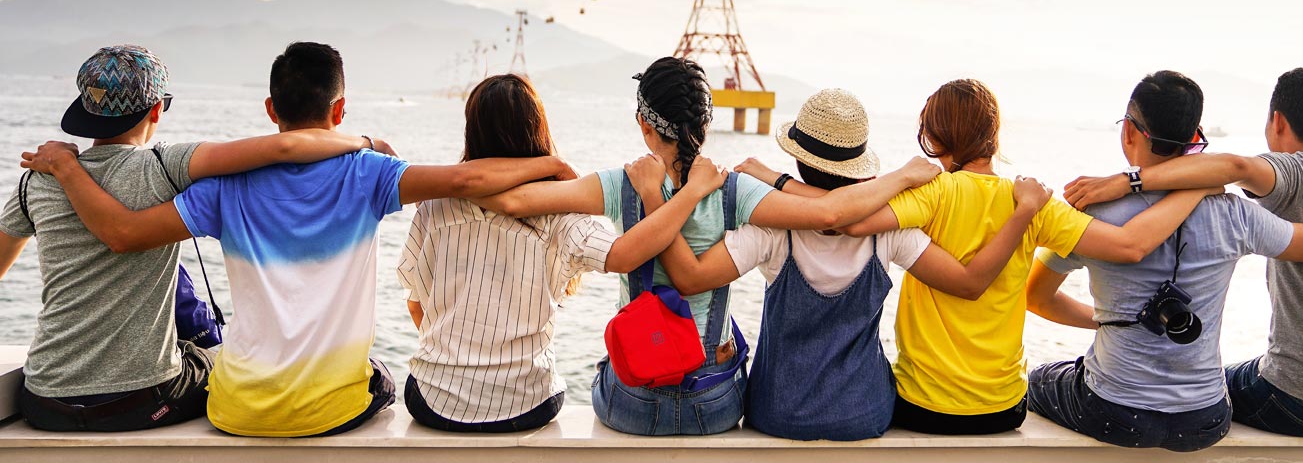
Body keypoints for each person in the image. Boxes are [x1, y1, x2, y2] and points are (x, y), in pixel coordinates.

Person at [21, 42, 575, 438]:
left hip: (235, 412)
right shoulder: (370, 174)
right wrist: (553, 163)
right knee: (380, 375)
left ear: (270, 110)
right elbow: (469, 180)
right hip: (330, 413)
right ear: (339, 110)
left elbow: (125, 233)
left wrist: (69, 171)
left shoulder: (224, 187)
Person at [467, 58, 941, 436]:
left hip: (633, 399)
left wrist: (552, 162)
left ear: (644, 125)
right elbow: (830, 214)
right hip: (711, 402)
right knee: (731, 338)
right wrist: (902, 176)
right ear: (707, 123)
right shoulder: (735, 190)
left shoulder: (620, 183)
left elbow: (509, 200)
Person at [0, 44, 376, 432]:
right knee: (212, 360)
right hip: (139, 402)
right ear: (157, 109)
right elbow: (287, 146)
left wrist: (65, 165)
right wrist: (365, 144)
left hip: (44, 401)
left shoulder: (37, 180)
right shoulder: (165, 167)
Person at [645, 88, 1055, 441]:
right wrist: (1021, 214)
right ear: (857, 166)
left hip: (777, 412)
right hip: (865, 413)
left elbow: (690, 278)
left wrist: (657, 202)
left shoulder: (772, 229)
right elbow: (967, 282)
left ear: (799, 161)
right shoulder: (890, 230)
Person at [1026, 71, 1303, 452]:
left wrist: (1106, 321)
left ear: (1129, 132)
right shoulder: (1236, 215)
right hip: (1204, 419)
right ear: (1195, 137)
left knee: (1038, 380)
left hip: (1115, 412)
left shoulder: (1090, 213)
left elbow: (1036, 297)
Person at [840, 79, 1224, 435]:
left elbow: (850, 220)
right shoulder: (1034, 202)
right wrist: (1196, 188)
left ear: (934, 137)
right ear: (993, 134)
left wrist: (902, 177)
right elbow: (1129, 245)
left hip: (923, 406)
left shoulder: (932, 193)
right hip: (1004, 409)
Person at [397, 74, 730, 433]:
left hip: (433, 400)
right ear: (537, 131)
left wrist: (462, 362)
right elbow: (622, 255)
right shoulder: (560, 215)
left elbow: (417, 304)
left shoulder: (435, 207)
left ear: (472, 132)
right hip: (526, 403)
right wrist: (691, 192)